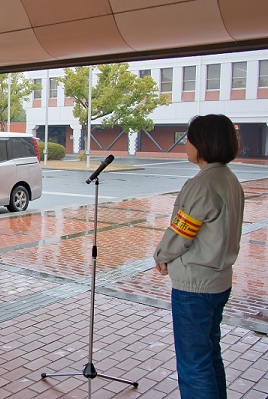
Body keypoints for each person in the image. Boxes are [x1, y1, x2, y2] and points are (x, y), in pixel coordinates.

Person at [153, 114, 244, 399]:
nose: (186, 144)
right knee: (209, 355)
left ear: (203, 143)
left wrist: (161, 255)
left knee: (194, 365)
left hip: (195, 287)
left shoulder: (202, 184)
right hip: (219, 282)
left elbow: (182, 231)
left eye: (189, 139)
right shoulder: (229, 179)